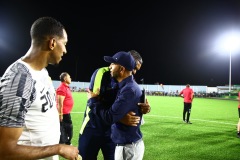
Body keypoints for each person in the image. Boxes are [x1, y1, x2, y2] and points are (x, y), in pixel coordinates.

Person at [0, 17, 79, 160]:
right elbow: (4, 150)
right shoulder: (20, 79)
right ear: (52, 43)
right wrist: (59, 148)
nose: (66, 50)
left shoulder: (42, 72)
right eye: (65, 44)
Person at [78, 50, 150, 160]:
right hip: (92, 128)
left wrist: (145, 108)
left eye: (135, 69)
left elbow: (131, 102)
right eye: (134, 67)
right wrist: (119, 117)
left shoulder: (127, 82)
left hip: (112, 132)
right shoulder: (102, 73)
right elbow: (94, 101)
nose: (134, 71)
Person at [56, 72, 74, 145]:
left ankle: (66, 142)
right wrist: (60, 115)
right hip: (64, 113)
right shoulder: (61, 88)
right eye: (69, 77)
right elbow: (60, 103)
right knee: (66, 128)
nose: (70, 78)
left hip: (66, 112)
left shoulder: (66, 87)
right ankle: (65, 143)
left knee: (66, 128)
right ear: (65, 79)